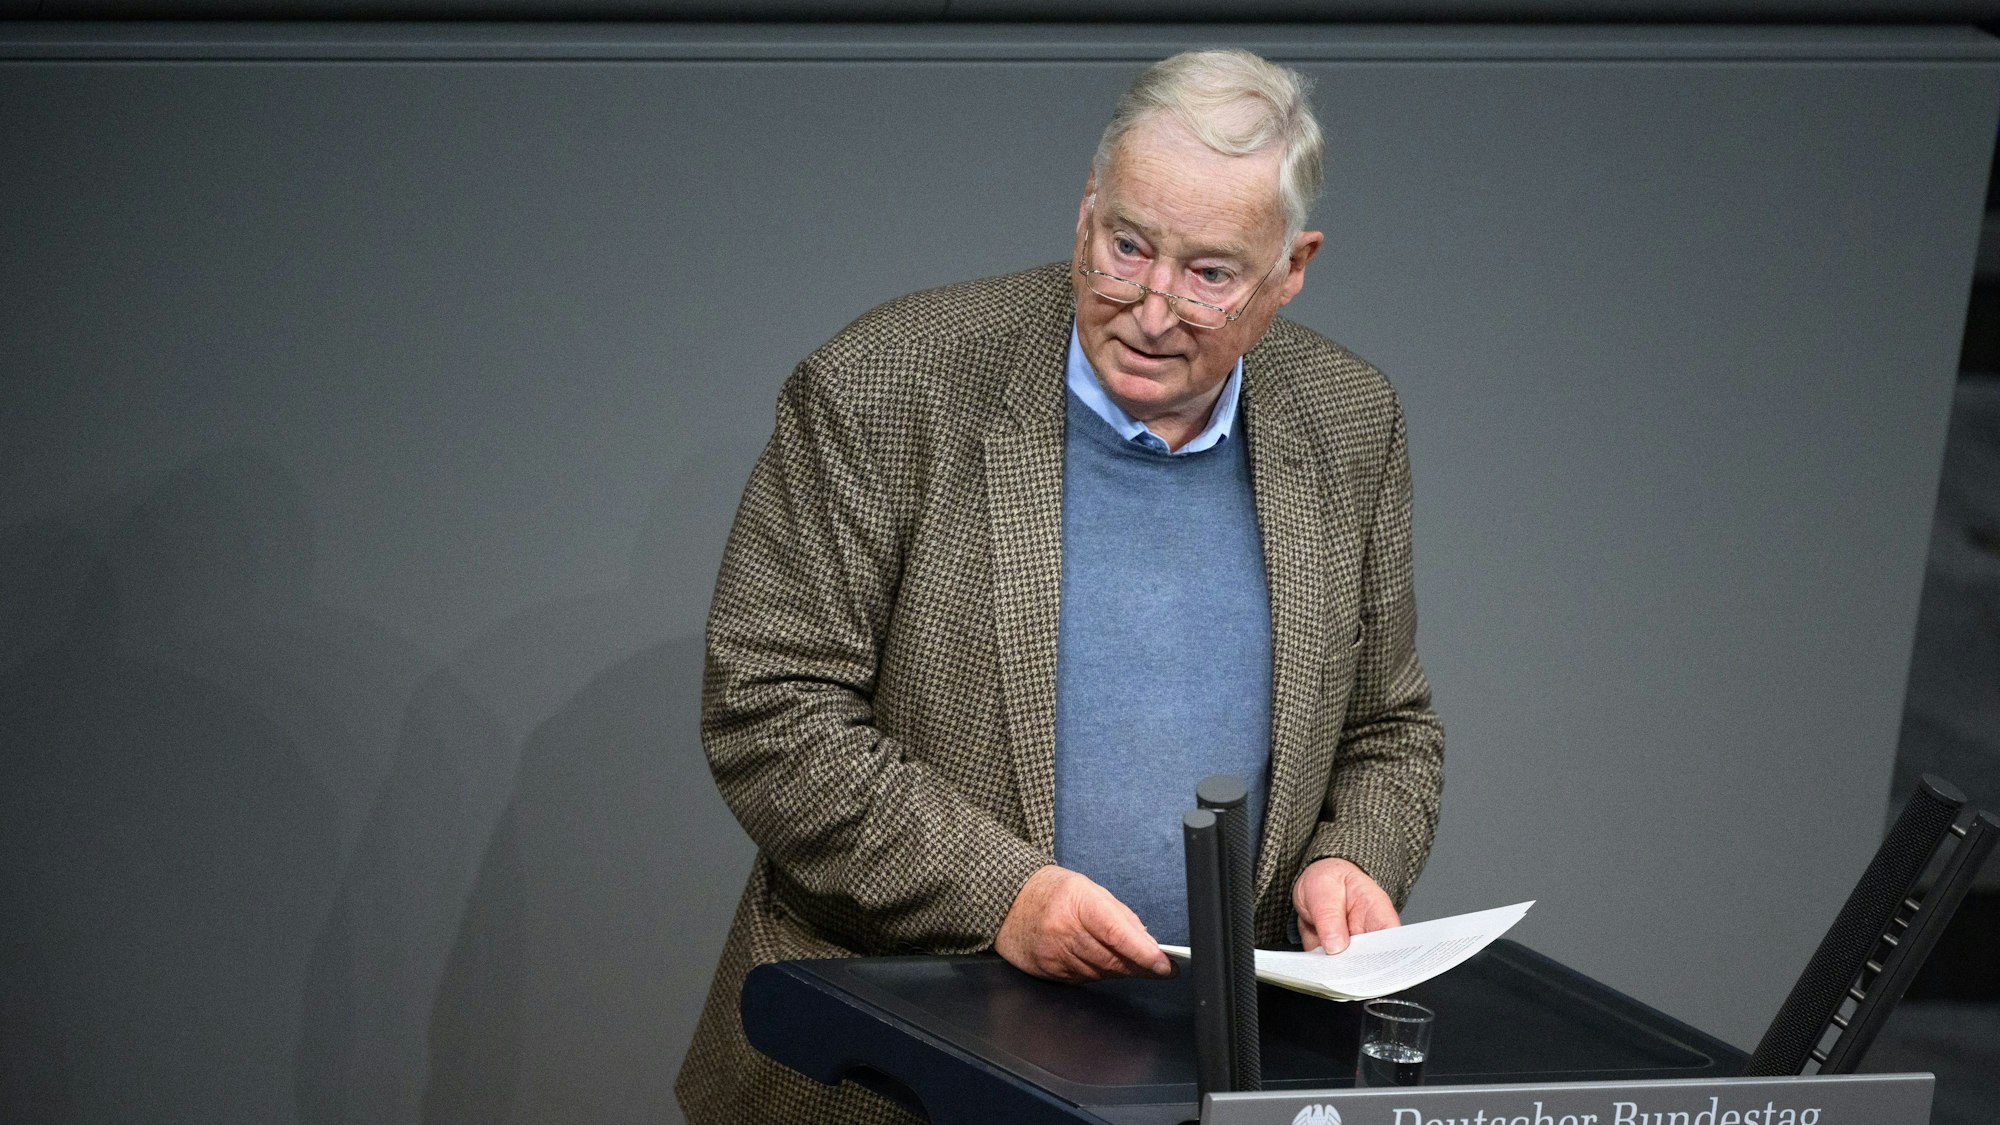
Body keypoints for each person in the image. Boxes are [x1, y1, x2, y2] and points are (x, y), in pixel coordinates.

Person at [676, 48, 1445, 1125]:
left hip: (1206, 1077)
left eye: (1210, 273)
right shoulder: (887, 387)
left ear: (1292, 265)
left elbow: (1387, 726)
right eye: (1125, 246)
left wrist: (1353, 854)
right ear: (1085, 213)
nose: (1151, 305)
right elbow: (769, 711)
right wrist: (1003, 896)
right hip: (888, 1067)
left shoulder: (1351, 420)